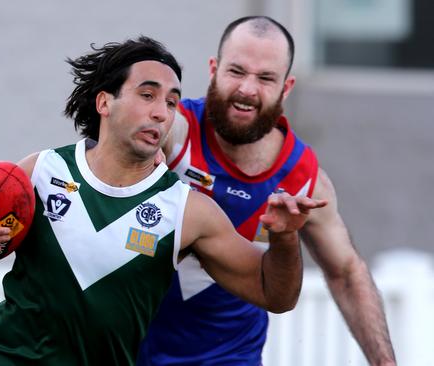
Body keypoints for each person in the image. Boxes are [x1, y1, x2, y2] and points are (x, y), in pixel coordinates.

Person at [0, 36, 326, 366]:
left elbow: (276, 295)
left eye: (171, 102)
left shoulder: (188, 211)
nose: (160, 112)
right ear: (105, 102)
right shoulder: (40, 170)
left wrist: (285, 239)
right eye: (147, 95)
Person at [137, 16, 396, 366]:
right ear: (213, 69)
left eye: (265, 78)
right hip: (124, 347)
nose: (247, 89)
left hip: (226, 358)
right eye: (236, 71)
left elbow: (347, 273)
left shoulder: (303, 179)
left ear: (286, 88)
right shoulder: (173, 132)